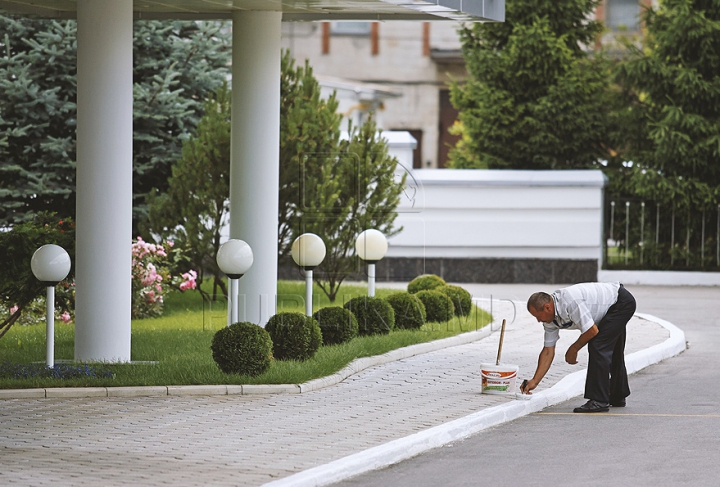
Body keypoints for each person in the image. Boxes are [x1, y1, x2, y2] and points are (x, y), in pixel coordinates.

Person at [521, 282, 637, 413]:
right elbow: (548, 351)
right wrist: (535, 381)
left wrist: (574, 348)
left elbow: (591, 331)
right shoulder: (549, 320)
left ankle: (599, 400)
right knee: (612, 350)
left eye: (537, 316)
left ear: (547, 308)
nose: (538, 320)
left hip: (620, 303)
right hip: (609, 308)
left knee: (598, 346)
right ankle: (617, 396)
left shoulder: (570, 302)